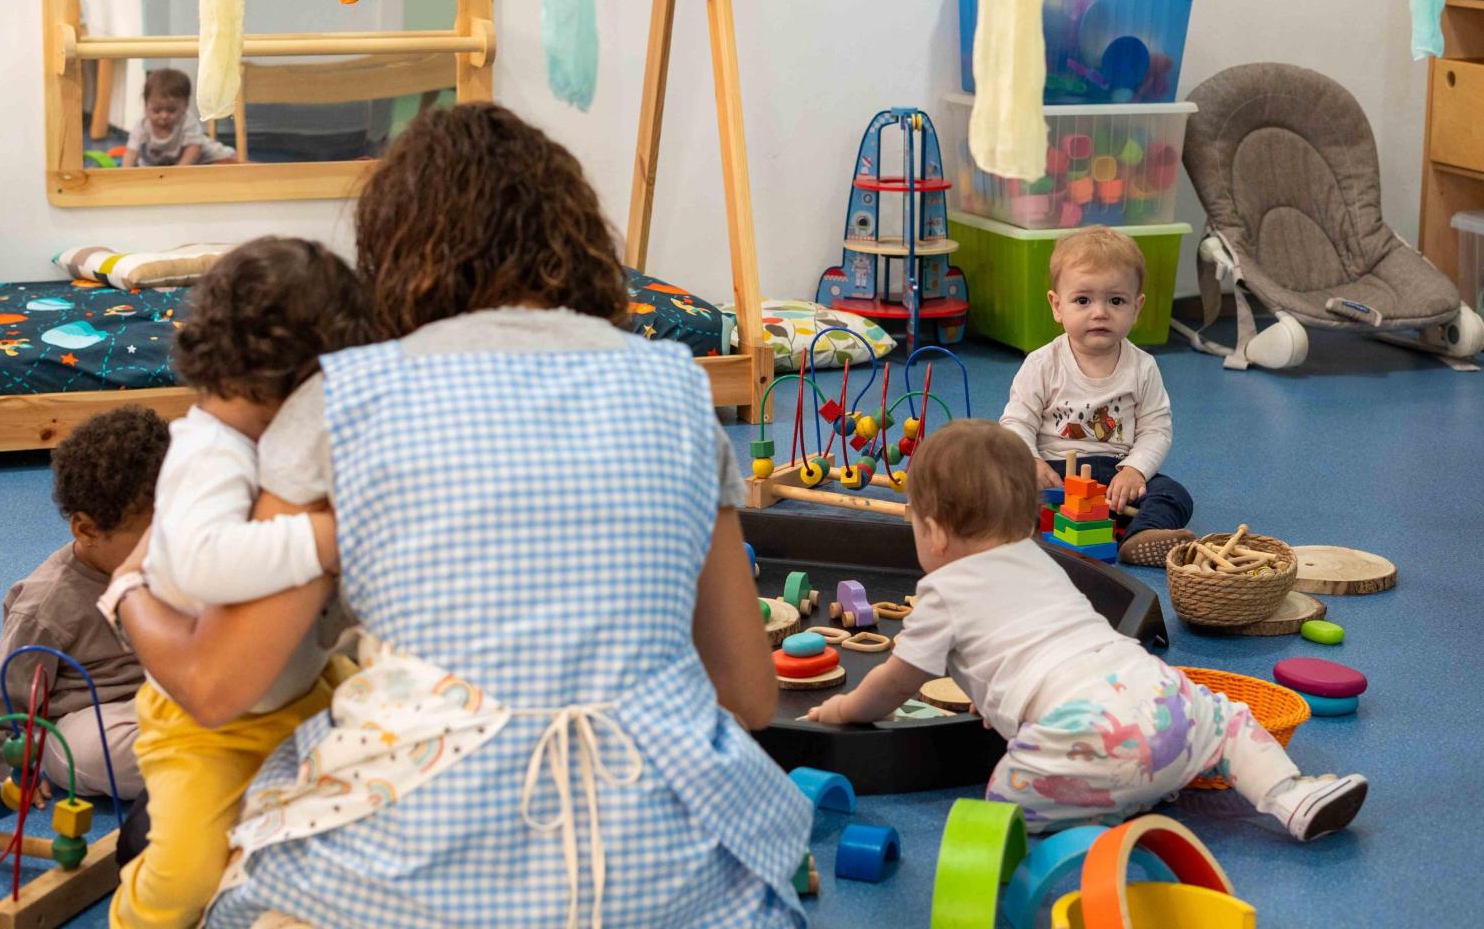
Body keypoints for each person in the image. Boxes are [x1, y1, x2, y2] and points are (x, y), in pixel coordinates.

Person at [109, 103, 812, 928]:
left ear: (395, 252)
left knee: (233, 878)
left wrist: (128, 593)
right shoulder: (679, 390)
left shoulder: (341, 399)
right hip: (661, 880)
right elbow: (747, 696)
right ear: (578, 239)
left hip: (410, 865)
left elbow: (218, 685)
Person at [807, 420, 1368, 841]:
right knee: (1228, 722)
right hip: (1163, 698)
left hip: (1086, 734)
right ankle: (1290, 793)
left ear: (933, 531)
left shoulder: (941, 591)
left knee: (1000, 799)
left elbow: (898, 681)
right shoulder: (1041, 559)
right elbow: (1042, 640)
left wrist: (843, 711)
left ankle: (1098, 812)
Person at [97, 237, 365, 929]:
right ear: (288, 378)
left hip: (301, 690)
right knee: (184, 874)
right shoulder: (207, 453)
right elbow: (204, 562)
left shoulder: (252, 445)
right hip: (203, 733)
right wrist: (322, 540)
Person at [0, 405, 166, 801]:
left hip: (172, 693)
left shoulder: (173, 559)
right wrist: (11, 770)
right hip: (93, 716)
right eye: (151, 534)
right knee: (91, 754)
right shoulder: (45, 605)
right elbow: (3, 700)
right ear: (87, 529)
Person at [999, 225, 1195, 566]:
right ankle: (1025, 530)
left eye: (1116, 301)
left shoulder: (1143, 367)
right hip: (1054, 474)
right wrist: (1031, 463)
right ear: (1057, 305)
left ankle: (1141, 536)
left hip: (1115, 477)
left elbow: (1156, 429)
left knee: (1173, 495)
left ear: (1137, 307)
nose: (1100, 312)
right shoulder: (1043, 363)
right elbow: (1016, 422)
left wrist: (1135, 470)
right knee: (1002, 486)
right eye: (1083, 300)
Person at [122, 68, 238, 168]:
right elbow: (131, 153)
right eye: (156, 111)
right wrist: (125, 174)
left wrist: (178, 171)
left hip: (203, 156)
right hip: (162, 162)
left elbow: (193, 150)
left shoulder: (187, 121)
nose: (164, 116)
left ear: (185, 106)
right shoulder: (143, 126)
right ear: (146, 106)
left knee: (229, 161)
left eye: (171, 110)